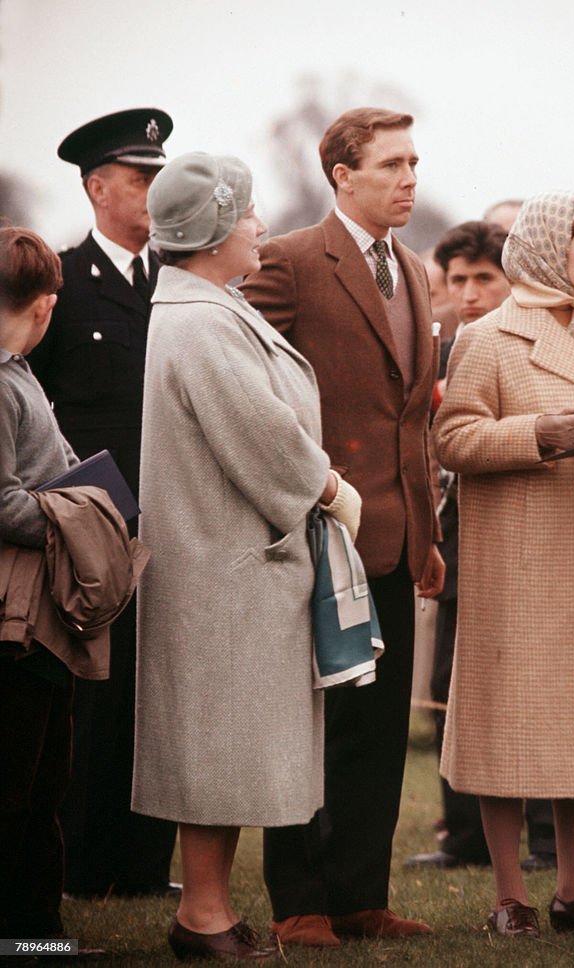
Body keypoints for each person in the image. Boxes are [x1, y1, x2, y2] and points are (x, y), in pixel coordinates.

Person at [133, 152, 359, 961]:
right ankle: (201, 917)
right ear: (218, 230)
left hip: (230, 566)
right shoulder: (200, 322)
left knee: (222, 755)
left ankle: (210, 912)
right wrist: (331, 491)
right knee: (215, 755)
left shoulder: (209, 309)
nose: (262, 224)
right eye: (251, 213)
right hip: (225, 571)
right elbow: (263, 440)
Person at [433, 190, 574, 937]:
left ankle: (573, 893)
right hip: (518, 554)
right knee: (506, 722)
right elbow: (454, 439)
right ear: (543, 251)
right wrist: (542, 432)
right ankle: (509, 897)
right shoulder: (488, 337)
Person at [242, 107, 443, 948]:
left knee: (378, 732)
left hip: (397, 545)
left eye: (413, 162)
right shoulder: (288, 261)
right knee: (311, 728)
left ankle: (362, 899)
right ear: (342, 175)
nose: (409, 178)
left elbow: (414, 424)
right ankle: (299, 902)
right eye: (391, 164)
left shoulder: (418, 270)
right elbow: (250, 396)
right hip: (316, 540)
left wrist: (428, 536)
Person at [27, 108, 179, 899]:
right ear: (96, 187)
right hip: (91, 537)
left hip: (172, 525)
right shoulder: (61, 281)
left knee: (157, 696)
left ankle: (146, 867)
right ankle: (84, 865)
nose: (156, 188)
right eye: (141, 176)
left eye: (160, 173)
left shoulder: (178, 284)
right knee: (92, 703)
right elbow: (35, 410)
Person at [405, 220, 556, 872]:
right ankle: (463, 837)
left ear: (512, 279)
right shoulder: (436, 352)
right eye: (458, 279)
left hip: (527, 537)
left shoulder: (534, 348)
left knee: (539, 685)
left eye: (483, 278)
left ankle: (547, 843)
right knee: (450, 687)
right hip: (455, 537)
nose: (468, 292)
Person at [0, 226, 78, 945]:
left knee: (45, 781)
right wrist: (75, 514)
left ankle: (37, 929)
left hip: (42, 613)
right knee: (14, 788)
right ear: (46, 303)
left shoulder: (21, 373)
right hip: (12, 623)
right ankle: (19, 933)